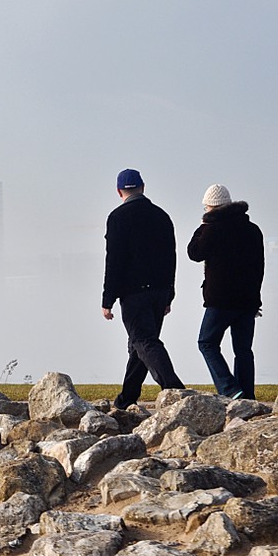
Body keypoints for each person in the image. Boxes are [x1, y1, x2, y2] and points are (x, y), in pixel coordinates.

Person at [102, 168, 185, 410]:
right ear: (143, 187)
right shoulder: (162, 216)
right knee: (138, 347)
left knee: (144, 340)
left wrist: (108, 298)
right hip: (159, 291)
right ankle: (126, 399)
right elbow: (172, 257)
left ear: (119, 191)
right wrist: (169, 292)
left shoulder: (117, 218)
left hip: (134, 292)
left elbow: (114, 260)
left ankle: (175, 390)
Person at [187, 184, 264, 400]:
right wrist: (256, 299)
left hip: (220, 300)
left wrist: (203, 226)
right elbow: (260, 266)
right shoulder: (253, 230)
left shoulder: (212, 229)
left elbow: (194, 253)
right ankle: (247, 395)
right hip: (248, 300)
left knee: (207, 342)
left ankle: (229, 389)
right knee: (243, 350)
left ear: (211, 208)